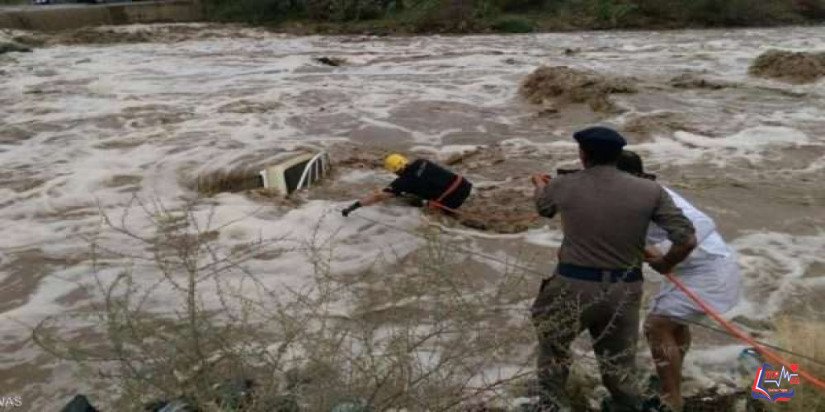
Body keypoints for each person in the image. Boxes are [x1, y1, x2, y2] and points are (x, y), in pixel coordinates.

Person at [530, 126, 697, 412]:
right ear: (618, 155)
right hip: (624, 289)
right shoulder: (651, 190)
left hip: (573, 285)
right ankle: (629, 405)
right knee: (618, 364)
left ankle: (552, 405)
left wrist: (539, 186)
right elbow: (686, 238)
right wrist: (665, 263)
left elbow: (544, 208)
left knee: (553, 350)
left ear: (583, 154)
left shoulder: (563, 184)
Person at [617, 150, 742, 412]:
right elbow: (638, 239)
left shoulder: (655, 198)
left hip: (709, 270)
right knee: (672, 324)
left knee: (656, 325)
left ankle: (671, 399)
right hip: (693, 269)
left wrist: (666, 262)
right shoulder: (632, 196)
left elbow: (699, 227)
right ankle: (675, 383)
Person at [341, 153, 473, 217]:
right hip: (464, 185)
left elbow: (378, 197)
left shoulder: (402, 183)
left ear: (394, 171)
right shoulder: (422, 161)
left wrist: (354, 206)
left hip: (451, 201)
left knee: (426, 211)